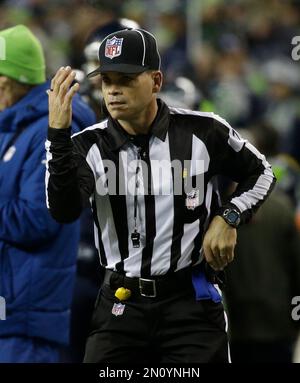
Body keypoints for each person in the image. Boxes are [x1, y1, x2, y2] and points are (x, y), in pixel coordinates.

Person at [46, 28, 275, 363]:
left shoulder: (204, 130)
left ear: (155, 81)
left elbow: (262, 172)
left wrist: (229, 217)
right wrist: (58, 136)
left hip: (190, 304)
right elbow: (63, 211)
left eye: (125, 79)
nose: (113, 91)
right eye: (107, 80)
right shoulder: (85, 145)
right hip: (121, 303)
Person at [0, 24, 96, 363]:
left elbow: (39, 218)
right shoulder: (13, 128)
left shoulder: (48, 130)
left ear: (5, 82)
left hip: (26, 319)